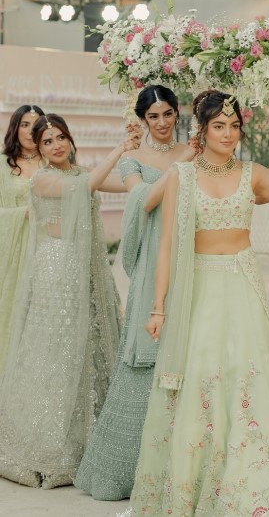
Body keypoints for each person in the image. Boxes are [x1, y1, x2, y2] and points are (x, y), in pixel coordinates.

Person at [127, 90, 269, 517]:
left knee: (246, 380)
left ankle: (250, 490)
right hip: (199, 291)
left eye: (234, 126)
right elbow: (166, 248)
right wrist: (158, 307)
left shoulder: (253, 174)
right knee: (201, 382)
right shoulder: (183, 175)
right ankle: (196, 488)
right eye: (219, 126)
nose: (228, 134)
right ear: (203, 129)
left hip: (243, 289)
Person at [0, 113, 137, 489]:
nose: (56, 145)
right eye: (47, 141)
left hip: (84, 271)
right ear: (40, 149)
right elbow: (88, 186)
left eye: (61, 137)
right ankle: (45, 447)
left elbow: (125, 184)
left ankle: (84, 442)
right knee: (54, 352)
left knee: (84, 350)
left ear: (70, 140)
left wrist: (168, 162)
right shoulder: (45, 179)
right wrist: (120, 147)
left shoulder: (78, 174)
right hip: (56, 270)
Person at [76, 85, 197, 500]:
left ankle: (186, 469)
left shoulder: (195, 150)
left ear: (178, 113)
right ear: (144, 121)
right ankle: (129, 470)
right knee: (150, 348)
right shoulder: (135, 159)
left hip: (193, 254)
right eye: (153, 117)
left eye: (167, 114)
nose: (162, 123)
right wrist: (181, 167)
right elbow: (142, 200)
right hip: (153, 262)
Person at [0, 103, 45, 373]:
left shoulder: (53, 157)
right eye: (24, 125)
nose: (30, 131)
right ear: (15, 128)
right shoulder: (4, 164)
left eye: (35, 125)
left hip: (48, 247)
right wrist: (21, 214)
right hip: (15, 255)